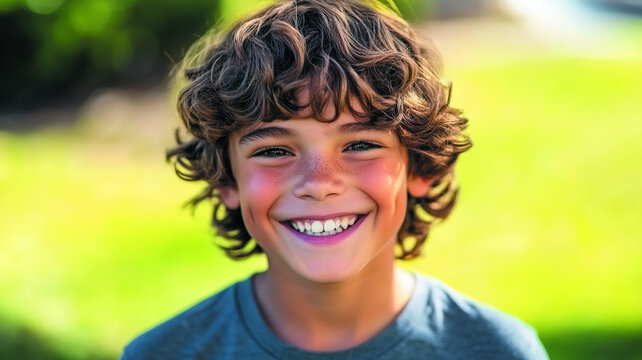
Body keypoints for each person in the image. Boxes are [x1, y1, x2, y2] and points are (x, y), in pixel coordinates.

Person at [122, 0, 549, 358]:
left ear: (420, 165)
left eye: (360, 145)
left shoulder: (497, 351)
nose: (319, 182)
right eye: (274, 151)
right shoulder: (162, 354)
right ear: (226, 180)